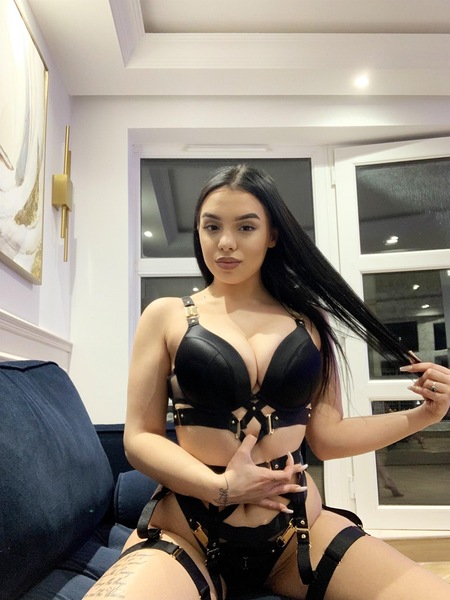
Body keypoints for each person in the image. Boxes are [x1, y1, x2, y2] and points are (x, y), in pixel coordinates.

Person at [85, 164, 450, 600]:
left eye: (245, 227)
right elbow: (139, 437)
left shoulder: (310, 322)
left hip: (298, 535)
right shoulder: (166, 315)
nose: (225, 242)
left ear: (272, 235)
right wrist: (220, 489)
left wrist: (425, 416)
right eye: (212, 226)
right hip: (188, 534)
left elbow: (329, 437)